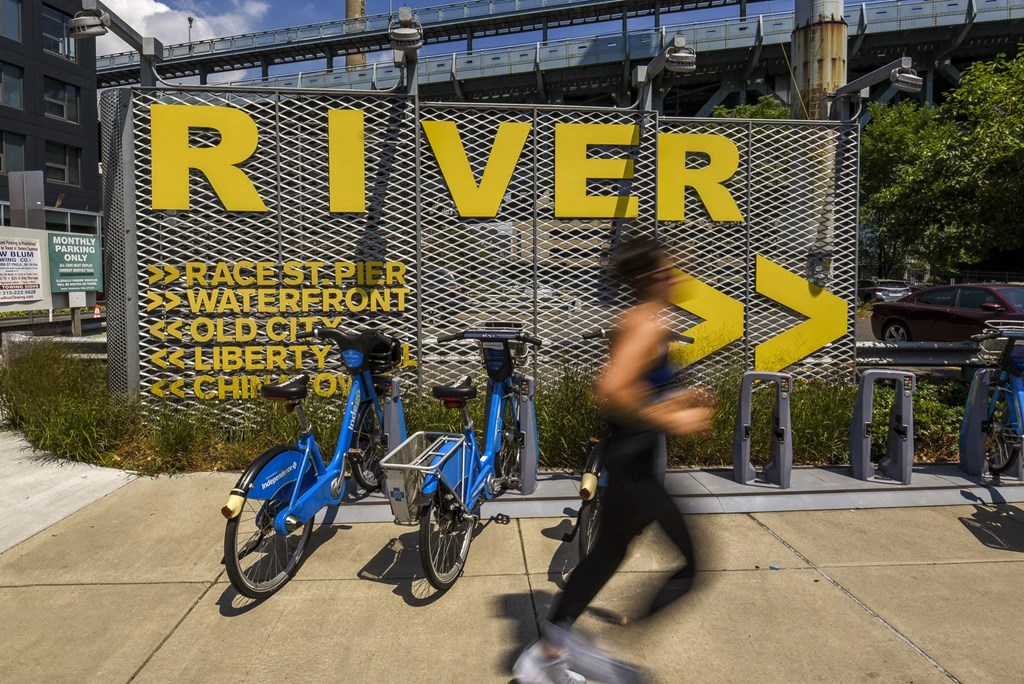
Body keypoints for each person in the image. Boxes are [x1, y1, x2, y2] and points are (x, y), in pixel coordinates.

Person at [514, 235, 712, 684]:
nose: (676, 275)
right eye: (668, 270)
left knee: (607, 553)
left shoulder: (643, 320)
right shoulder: (644, 323)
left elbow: (634, 387)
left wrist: (675, 401)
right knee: (691, 564)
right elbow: (611, 389)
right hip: (633, 463)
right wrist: (670, 416)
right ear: (649, 278)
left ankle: (549, 650)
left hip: (632, 458)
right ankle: (600, 653)